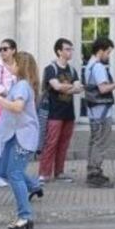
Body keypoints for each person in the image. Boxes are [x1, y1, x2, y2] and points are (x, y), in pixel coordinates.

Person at [0, 51, 42, 229]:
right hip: (15, 134)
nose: (10, 65)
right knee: (3, 170)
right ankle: (34, 186)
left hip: (23, 136)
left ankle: (25, 217)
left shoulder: (23, 85)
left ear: (21, 66)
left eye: (13, 63)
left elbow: (17, 107)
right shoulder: (21, 85)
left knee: (14, 174)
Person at [38, 38, 83, 183]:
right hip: (54, 113)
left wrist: (66, 86)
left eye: (71, 49)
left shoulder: (72, 69)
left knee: (64, 144)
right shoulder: (51, 69)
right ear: (59, 51)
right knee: (51, 143)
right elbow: (56, 87)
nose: (70, 52)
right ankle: (44, 173)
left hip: (68, 113)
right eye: (67, 49)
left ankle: (59, 172)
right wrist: (71, 87)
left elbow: (79, 88)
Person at [84, 37, 115, 188]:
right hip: (101, 112)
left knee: (94, 141)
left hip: (94, 112)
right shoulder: (98, 67)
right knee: (100, 142)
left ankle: (92, 171)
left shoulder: (89, 65)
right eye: (108, 52)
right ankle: (95, 173)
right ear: (101, 51)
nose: (108, 56)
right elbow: (103, 88)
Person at [0, 38, 18, 187]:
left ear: (13, 50)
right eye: (0, 49)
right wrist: (5, 92)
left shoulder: (17, 66)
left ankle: (4, 171)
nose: (2, 52)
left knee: (9, 142)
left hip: (13, 108)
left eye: (5, 49)